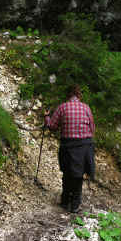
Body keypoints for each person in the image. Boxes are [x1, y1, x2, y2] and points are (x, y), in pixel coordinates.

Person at [44, 85, 95, 213]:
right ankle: (75, 204)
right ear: (79, 95)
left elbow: (52, 126)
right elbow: (92, 128)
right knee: (78, 175)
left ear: (68, 95)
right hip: (84, 146)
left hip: (68, 145)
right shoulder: (86, 108)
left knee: (67, 173)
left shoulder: (62, 107)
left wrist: (46, 117)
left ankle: (65, 201)